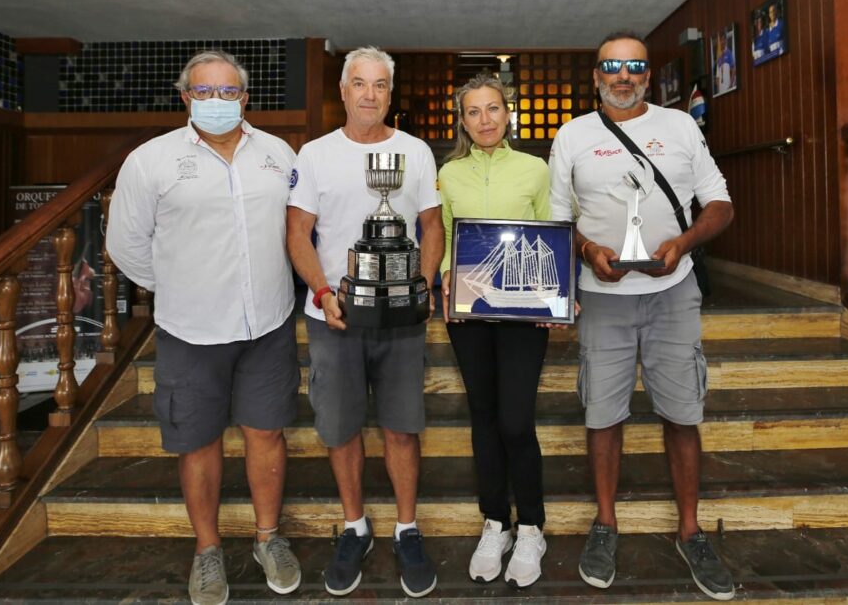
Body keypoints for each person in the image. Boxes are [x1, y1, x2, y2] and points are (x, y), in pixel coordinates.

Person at [106, 50, 301, 605]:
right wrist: (180, 285)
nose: (216, 102)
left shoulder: (277, 154)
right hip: (190, 329)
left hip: (267, 321)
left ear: (245, 97)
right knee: (198, 441)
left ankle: (268, 537)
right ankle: (208, 550)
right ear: (185, 97)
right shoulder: (151, 161)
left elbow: (296, 228)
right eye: (203, 92)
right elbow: (126, 246)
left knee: (266, 432)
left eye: (227, 92)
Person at [549, 30, 735, 601]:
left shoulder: (681, 127)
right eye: (612, 67)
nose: (623, 76)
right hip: (603, 297)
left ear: (648, 76)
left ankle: (690, 531)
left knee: (682, 413)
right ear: (597, 77)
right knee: (603, 415)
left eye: (634, 66)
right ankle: (605, 524)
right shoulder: (573, 136)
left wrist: (683, 243)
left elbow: (721, 204)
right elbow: (558, 218)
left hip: (672, 292)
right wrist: (586, 252)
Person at [286, 46, 445, 598]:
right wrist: (323, 292)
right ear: (344, 89)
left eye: (380, 85)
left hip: (400, 318)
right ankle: (355, 526)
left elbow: (431, 226)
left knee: (403, 425)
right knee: (341, 426)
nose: (370, 94)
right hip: (334, 317)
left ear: (390, 92)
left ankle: (406, 528)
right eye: (360, 83)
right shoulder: (314, 155)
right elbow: (296, 233)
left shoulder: (416, 152)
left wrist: (421, 286)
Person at [437, 73, 552, 589]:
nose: (485, 119)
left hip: (525, 314)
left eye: (493, 109)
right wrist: (444, 277)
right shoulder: (449, 173)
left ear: (509, 114)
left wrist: (556, 294)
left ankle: (531, 525)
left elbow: (552, 229)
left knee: (514, 420)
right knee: (482, 415)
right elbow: (441, 233)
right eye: (474, 111)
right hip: (469, 311)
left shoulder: (535, 168)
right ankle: (495, 523)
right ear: (462, 120)